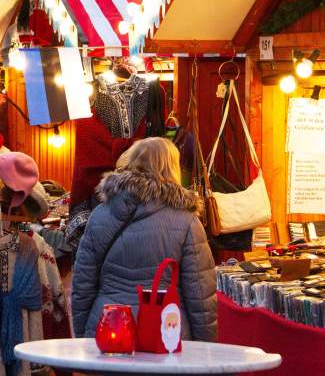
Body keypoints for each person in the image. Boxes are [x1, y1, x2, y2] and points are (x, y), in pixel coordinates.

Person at [71, 137, 217, 342]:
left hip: (109, 326)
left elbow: (82, 286)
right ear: (171, 167)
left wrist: (83, 335)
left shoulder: (100, 215)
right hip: (166, 333)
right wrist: (206, 348)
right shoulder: (188, 222)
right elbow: (201, 297)